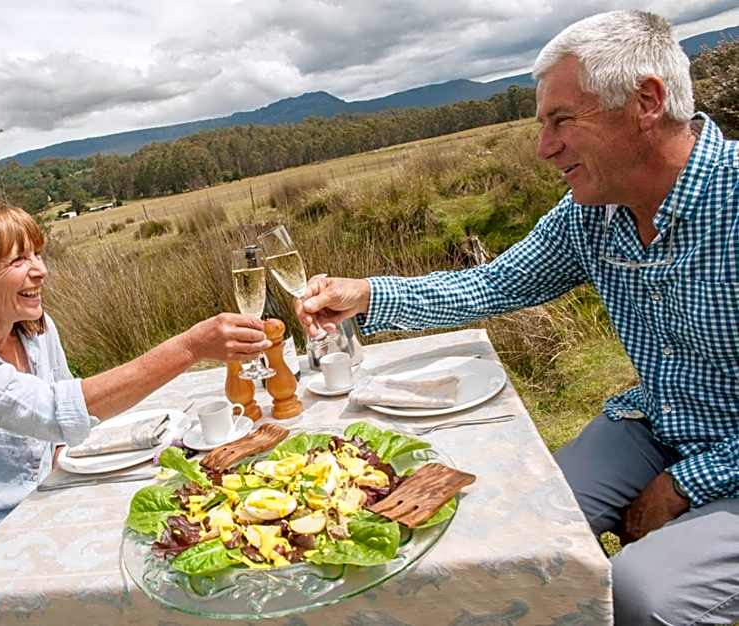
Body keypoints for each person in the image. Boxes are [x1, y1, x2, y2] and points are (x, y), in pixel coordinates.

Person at [297, 10, 739, 625]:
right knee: (521, 537)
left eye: (562, 120)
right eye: (542, 124)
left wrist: (685, 484)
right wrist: (368, 293)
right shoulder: (591, 214)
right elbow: (494, 283)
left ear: (646, 101)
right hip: (659, 420)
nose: (544, 147)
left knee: (644, 594)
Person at [0, 199, 270, 593]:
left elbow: (64, 432)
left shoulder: (35, 328)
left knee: (178, 536)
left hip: (42, 505)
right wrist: (190, 348)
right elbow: (56, 412)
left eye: (37, 254)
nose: (41, 270)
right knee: (125, 576)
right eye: (17, 260)